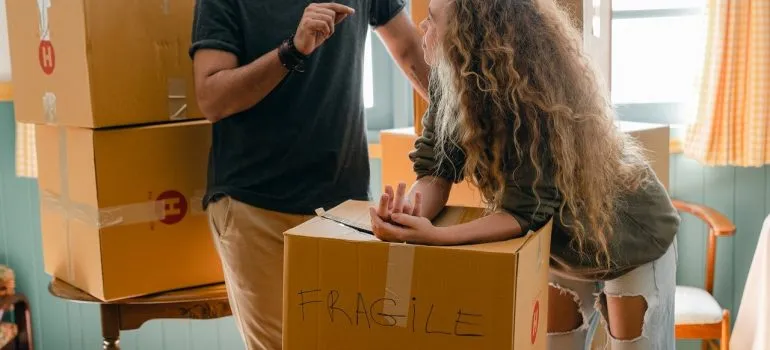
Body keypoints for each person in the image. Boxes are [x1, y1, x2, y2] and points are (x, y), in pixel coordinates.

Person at [369, 0, 680, 348]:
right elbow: (435, 173)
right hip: (560, 243)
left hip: (628, 238)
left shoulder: (531, 99)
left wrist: (436, 238)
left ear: (467, 36)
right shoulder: (451, 81)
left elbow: (523, 212)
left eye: (431, 20)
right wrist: (408, 215)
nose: (422, 29)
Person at [188, 0, 430, 348]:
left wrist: (467, 121)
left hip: (345, 205)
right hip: (256, 206)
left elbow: (408, 48)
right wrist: (291, 51)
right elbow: (212, 98)